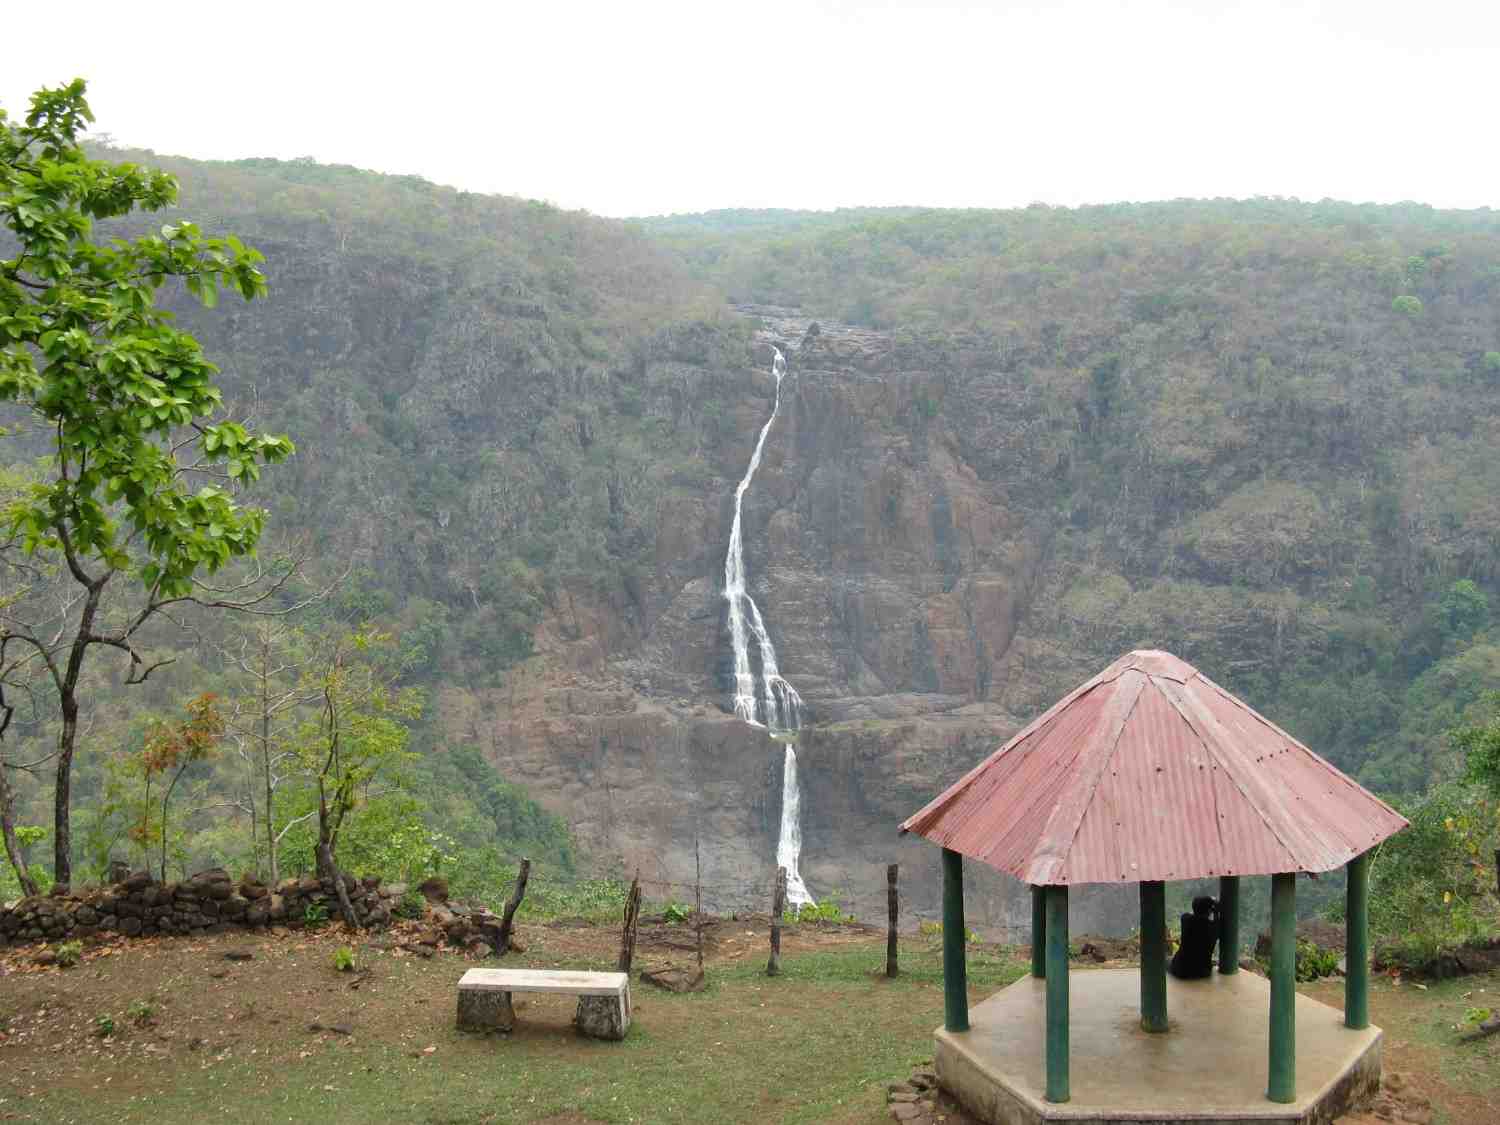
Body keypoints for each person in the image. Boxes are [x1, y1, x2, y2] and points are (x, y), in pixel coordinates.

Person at [1168, 896, 1219, 979]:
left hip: (1180, 969)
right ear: (1210, 911)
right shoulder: (1213, 927)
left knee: (1166, 960)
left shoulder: (1186, 919)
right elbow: (1216, 925)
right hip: (1202, 971)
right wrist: (1216, 912)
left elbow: (1192, 915)